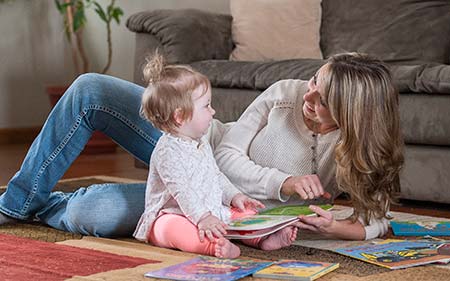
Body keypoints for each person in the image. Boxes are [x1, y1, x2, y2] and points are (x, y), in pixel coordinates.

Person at [0, 52, 403, 240]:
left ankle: (41, 207)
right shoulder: (286, 93)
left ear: (352, 116)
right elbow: (226, 156)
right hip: (192, 145)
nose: (307, 98)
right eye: (314, 81)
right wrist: (285, 182)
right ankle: (14, 205)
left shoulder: (361, 144)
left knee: (90, 211)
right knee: (91, 90)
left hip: (218, 205)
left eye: (321, 100)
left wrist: (337, 228)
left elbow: (378, 217)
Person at [134, 54, 298, 258]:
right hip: (175, 214)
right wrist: (202, 217)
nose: (212, 111)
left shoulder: (201, 143)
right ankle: (213, 247)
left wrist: (235, 196)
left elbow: (215, 175)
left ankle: (261, 238)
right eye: (206, 106)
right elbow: (182, 191)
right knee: (172, 229)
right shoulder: (168, 152)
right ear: (180, 116)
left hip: (208, 210)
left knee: (246, 214)